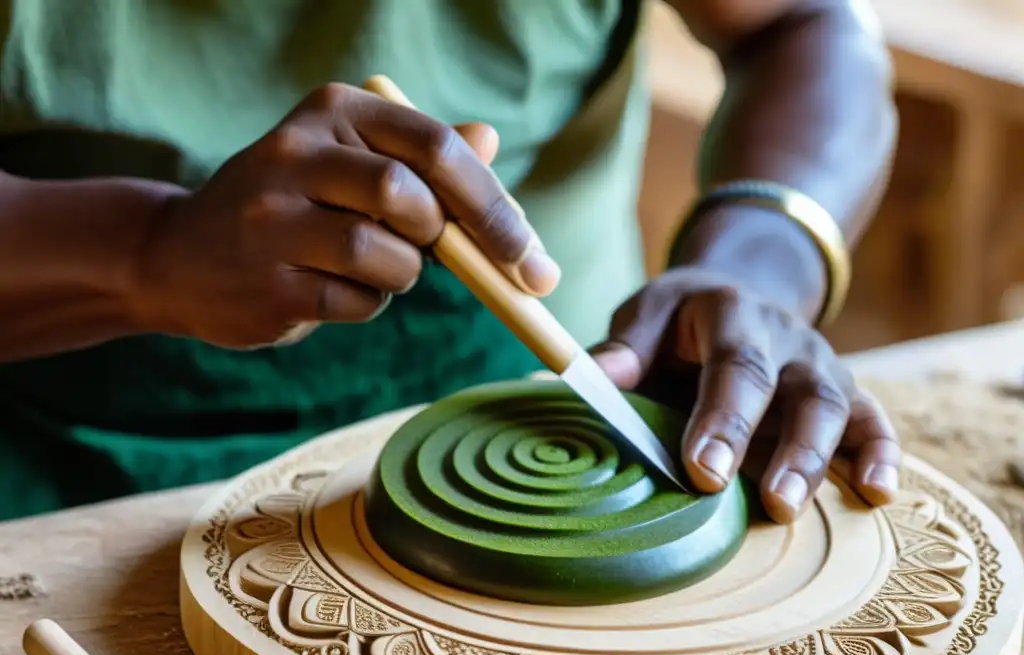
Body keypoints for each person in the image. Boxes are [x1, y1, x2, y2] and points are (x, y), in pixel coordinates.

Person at [0, 0, 900, 524]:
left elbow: (804, 24)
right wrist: (145, 253)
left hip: (565, 394)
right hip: (55, 439)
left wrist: (755, 269)